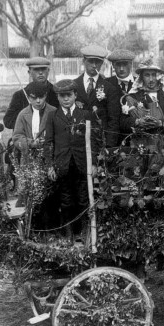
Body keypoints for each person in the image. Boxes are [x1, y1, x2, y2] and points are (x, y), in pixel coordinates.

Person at [44, 79, 98, 242]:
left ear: (75, 95)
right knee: (65, 201)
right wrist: (49, 165)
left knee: (83, 199)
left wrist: (94, 163)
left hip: (82, 163)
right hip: (63, 165)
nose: (65, 99)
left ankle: (83, 232)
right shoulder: (53, 116)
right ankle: (68, 234)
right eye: (62, 96)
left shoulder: (85, 114)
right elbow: (48, 142)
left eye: (69, 95)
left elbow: (94, 140)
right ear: (57, 97)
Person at [120, 58, 164, 155]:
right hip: (140, 148)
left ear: (159, 76)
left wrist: (161, 123)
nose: (151, 79)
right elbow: (123, 122)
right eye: (147, 75)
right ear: (141, 77)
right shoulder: (133, 97)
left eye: (154, 75)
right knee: (142, 169)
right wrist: (137, 122)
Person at [72, 44, 120, 147]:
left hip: (100, 143)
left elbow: (113, 121)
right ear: (83, 61)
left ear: (102, 63)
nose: (94, 65)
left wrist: (109, 146)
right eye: (90, 61)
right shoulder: (73, 85)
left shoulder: (109, 88)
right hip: (77, 143)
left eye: (98, 62)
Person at [3, 57, 59, 129]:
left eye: (43, 69)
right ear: (29, 72)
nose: (40, 72)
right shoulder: (20, 95)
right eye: (36, 70)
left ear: (48, 71)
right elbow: (8, 121)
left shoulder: (57, 93)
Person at [12, 81, 58, 163]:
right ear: (28, 97)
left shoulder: (54, 112)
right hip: (29, 160)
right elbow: (17, 137)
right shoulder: (22, 114)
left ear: (46, 95)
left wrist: (48, 141)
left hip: (50, 159)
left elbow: (61, 135)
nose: (38, 101)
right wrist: (32, 143)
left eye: (41, 97)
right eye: (34, 98)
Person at [105, 49, 136, 147]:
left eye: (125, 64)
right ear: (113, 66)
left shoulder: (139, 83)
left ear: (131, 64)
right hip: (114, 141)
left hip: (137, 139)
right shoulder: (106, 84)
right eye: (118, 65)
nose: (122, 68)